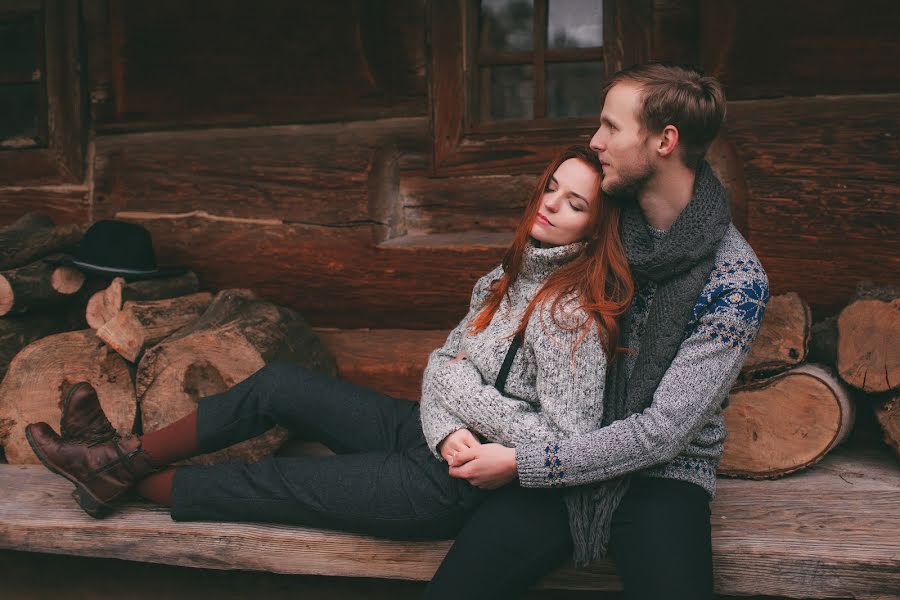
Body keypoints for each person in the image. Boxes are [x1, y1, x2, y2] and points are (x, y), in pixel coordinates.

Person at [24, 146, 633, 546]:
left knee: (286, 479)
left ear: (596, 225)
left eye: (575, 203)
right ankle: (119, 457)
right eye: (551, 188)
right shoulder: (502, 280)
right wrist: (449, 419)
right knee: (280, 384)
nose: (552, 205)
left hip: (458, 485)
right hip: (430, 431)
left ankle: (112, 472)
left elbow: (569, 441)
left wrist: (469, 411)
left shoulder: (573, 314)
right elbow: (439, 369)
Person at [423, 63, 770, 600]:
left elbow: (663, 434)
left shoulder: (736, 280)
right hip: (558, 440)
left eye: (611, 127)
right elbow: (494, 323)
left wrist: (527, 463)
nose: (595, 140)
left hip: (663, 476)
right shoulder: (598, 227)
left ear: (664, 141)